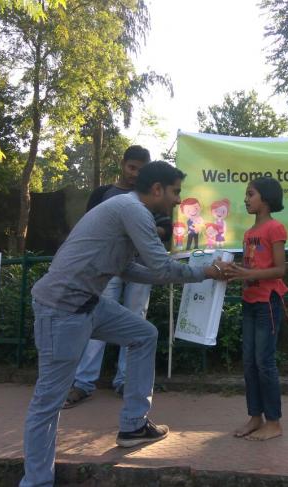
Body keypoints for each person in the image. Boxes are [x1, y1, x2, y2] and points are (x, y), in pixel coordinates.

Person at [20, 161, 232, 486]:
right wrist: (204, 272)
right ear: (157, 189)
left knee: (143, 334)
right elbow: (162, 268)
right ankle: (36, 482)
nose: (178, 200)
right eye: (176, 192)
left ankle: (134, 425)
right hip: (61, 309)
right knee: (47, 402)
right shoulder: (132, 210)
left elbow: (128, 269)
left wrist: (196, 274)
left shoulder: (127, 209)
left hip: (89, 303)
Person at [63, 145, 172, 407]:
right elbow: (89, 228)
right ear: (122, 165)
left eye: (141, 170)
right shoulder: (103, 194)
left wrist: (139, 231)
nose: (135, 174)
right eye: (131, 167)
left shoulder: (150, 197)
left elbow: (167, 228)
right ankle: (83, 383)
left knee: (136, 321)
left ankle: (126, 381)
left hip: (140, 268)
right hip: (107, 269)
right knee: (96, 319)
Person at [227, 176, 288, 441]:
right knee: (249, 362)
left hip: (267, 303)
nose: (245, 199)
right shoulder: (248, 233)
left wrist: (249, 274)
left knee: (264, 362)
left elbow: (280, 269)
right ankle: (255, 417)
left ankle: (274, 422)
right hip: (249, 301)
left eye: (250, 194)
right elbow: (249, 267)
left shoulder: (275, 228)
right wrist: (234, 272)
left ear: (266, 198)